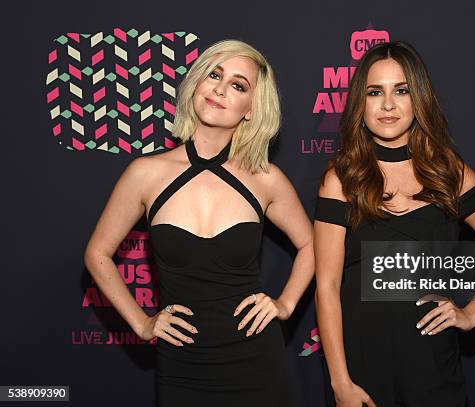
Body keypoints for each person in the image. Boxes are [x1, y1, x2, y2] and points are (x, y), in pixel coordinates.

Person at [84, 39, 314, 406]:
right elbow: (97, 253)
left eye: (238, 85)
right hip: (182, 366)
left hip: (257, 363)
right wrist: (143, 323)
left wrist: (284, 304)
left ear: (252, 108)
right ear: (197, 84)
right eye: (214, 75)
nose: (221, 89)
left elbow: (312, 245)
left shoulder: (264, 177)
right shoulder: (146, 174)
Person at [314, 41, 475, 407]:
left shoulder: (450, 173)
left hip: (433, 370)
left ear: (419, 98)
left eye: (402, 90)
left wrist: (472, 313)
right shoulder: (341, 178)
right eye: (375, 92)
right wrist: (340, 383)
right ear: (359, 103)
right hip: (362, 371)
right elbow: (327, 286)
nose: (388, 105)